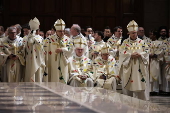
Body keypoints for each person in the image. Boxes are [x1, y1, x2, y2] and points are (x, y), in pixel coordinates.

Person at [119, 20, 149, 100]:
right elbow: (121, 52)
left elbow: (146, 51)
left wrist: (141, 54)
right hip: (129, 67)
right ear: (129, 33)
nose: (134, 34)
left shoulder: (142, 42)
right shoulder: (125, 42)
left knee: (140, 85)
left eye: (135, 32)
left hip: (139, 66)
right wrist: (130, 55)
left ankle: (142, 105)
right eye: (132, 33)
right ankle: (128, 104)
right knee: (128, 88)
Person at [43, 19, 72, 83]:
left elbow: (71, 50)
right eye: (60, 31)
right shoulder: (49, 39)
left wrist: (62, 50)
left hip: (63, 62)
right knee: (53, 77)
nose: (62, 33)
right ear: (56, 31)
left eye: (63, 31)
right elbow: (44, 50)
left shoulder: (68, 39)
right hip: (52, 62)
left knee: (63, 78)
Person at [24, 17, 45, 82]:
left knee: (38, 77)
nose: (37, 31)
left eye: (38, 30)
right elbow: (25, 47)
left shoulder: (40, 38)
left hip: (39, 60)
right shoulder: (26, 38)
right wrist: (31, 36)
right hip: (29, 60)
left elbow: (42, 49)